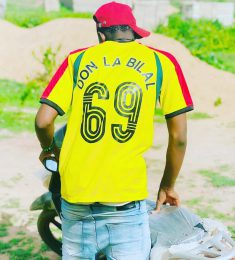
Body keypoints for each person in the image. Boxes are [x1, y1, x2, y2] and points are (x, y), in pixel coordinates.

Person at [35, 1, 193, 259]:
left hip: (76, 200)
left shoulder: (78, 59)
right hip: (125, 202)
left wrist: (50, 150)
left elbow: (43, 121)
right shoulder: (162, 62)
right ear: (132, 31)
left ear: (100, 34)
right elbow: (179, 138)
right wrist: (167, 185)